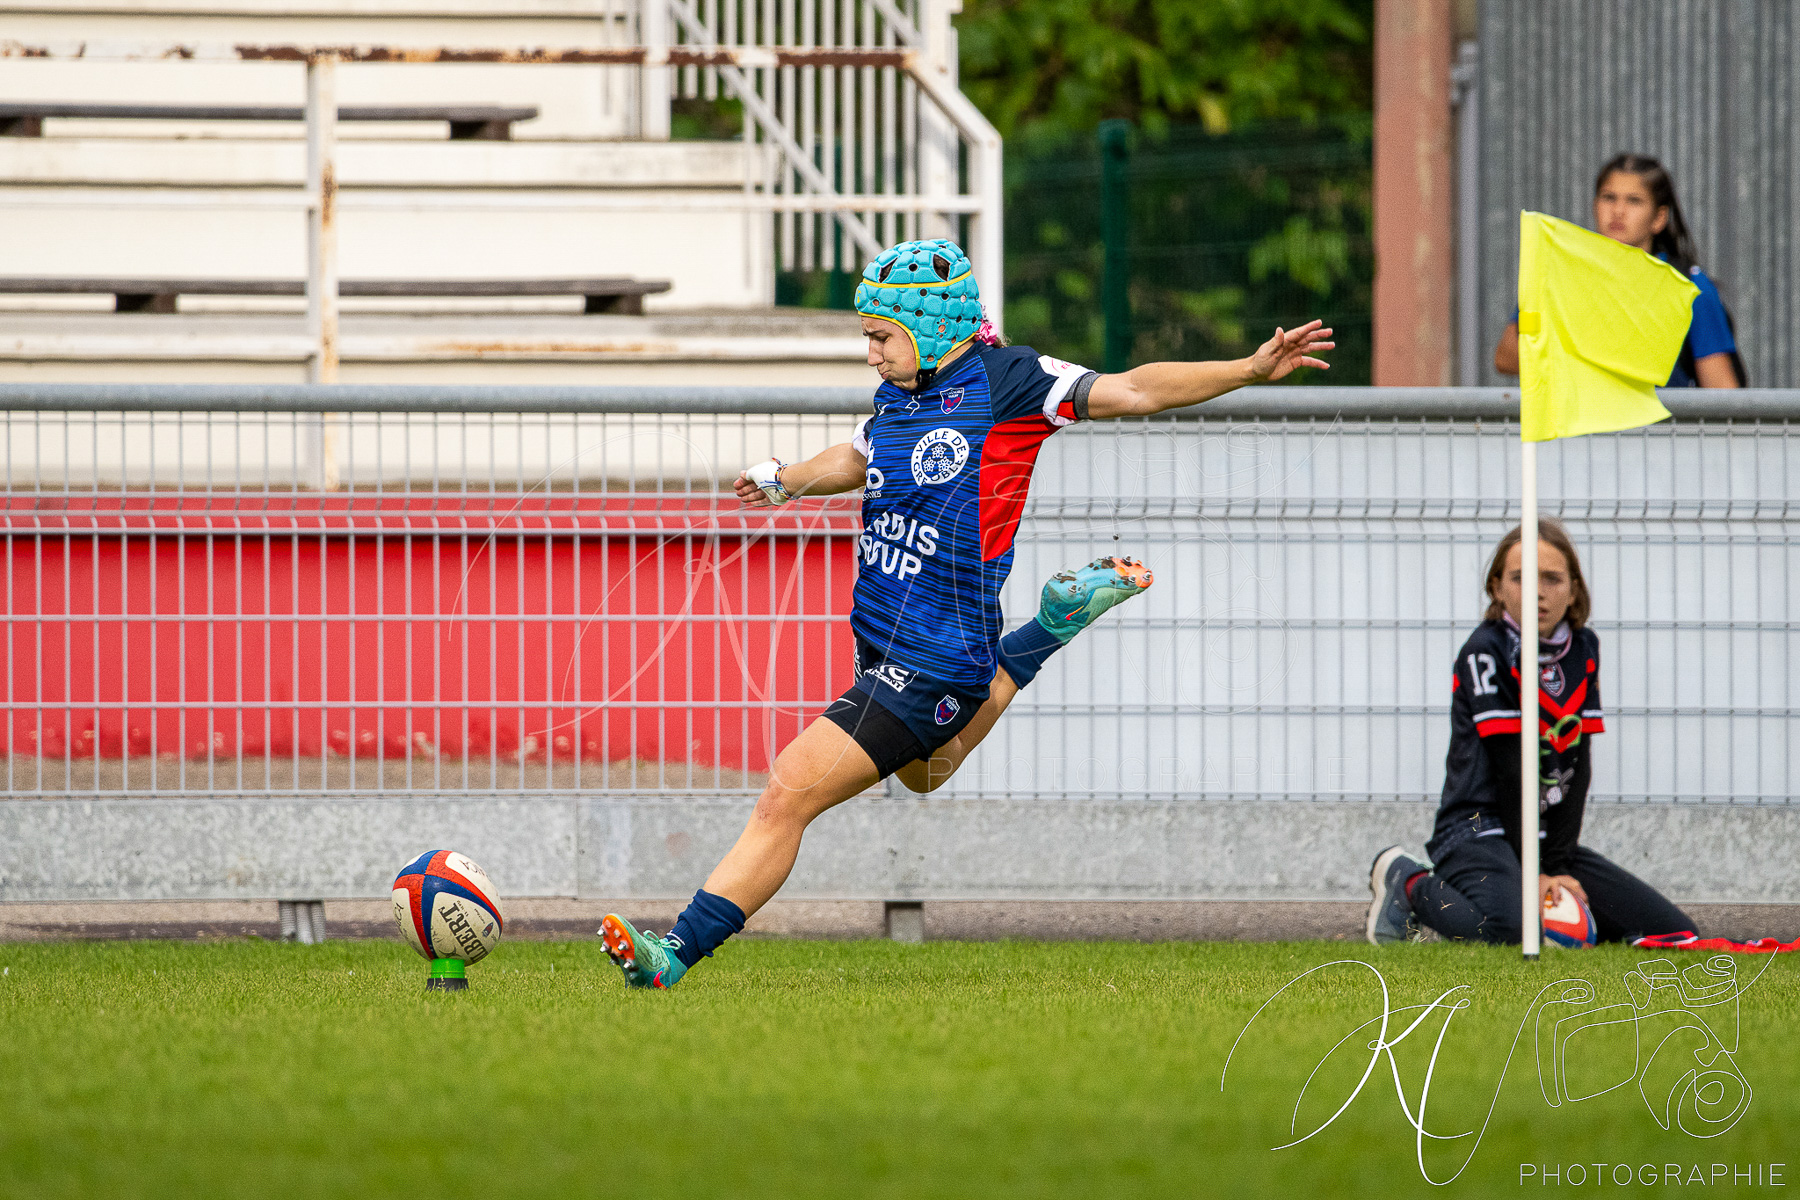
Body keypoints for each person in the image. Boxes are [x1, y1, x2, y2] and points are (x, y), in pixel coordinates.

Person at [599, 237, 1334, 987]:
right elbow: (857, 458)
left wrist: (1246, 369)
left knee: (787, 791)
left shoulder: (1012, 380)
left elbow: (1134, 389)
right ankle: (1046, 630)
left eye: (880, 336)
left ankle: (673, 956)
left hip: (934, 656)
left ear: (934, 326)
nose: (872, 354)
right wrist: (786, 479)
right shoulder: (898, 396)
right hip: (893, 647)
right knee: (925, 776)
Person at [1367, 519, 1692, 945]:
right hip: (1476, 830)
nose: (1537, 592)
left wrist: (1556, 865)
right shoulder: (1485, 651)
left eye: (1552, 579)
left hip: (1542, 836)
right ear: (1497, 587)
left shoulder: (1585, 649)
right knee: (1512, 931)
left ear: (1574, 589)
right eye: (1520, 578)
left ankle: (1501, 899)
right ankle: (1406, 881)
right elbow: (1511, 770)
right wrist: (1535, 872)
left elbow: (1580, 765)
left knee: (1672, 931)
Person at [1494, 153, 1744, 388]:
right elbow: (1506, 359)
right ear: (1595, 205)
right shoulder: (1560, 276)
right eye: (1609, 197)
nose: (1618, 211)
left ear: (1659, 218)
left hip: (1657, 434)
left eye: (1634, 201)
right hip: (1582, 434)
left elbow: (1723, 393)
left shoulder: (1689, 289)